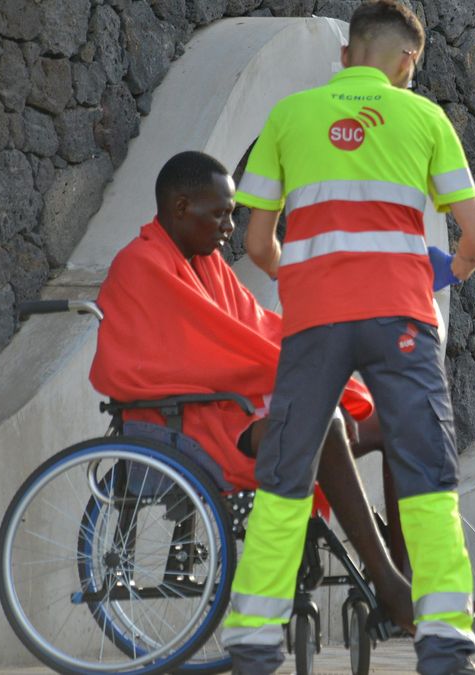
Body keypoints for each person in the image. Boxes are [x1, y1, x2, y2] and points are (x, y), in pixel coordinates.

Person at [222, 2, 475, 674]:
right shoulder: (425, 117)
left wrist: (309, 276)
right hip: (401, 316)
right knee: (429, 474)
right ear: (408, 62)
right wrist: (440, 276)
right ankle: (446, 646)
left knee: (286, 475)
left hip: (315, 320)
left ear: (347, 55)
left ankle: (256, 644)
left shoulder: (288, 116)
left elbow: (257, 241)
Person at [88, 151, 414, 635]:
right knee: (319, 422)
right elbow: (201, 356)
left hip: (234, 413)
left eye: (232, 213)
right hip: (191, 428)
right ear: (180, 208)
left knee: (399, 419)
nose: (229, 225)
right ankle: (391, 588)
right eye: (219, 213)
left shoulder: (208, 264)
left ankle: (407, 575)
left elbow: (257, 329)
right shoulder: (141, 265)